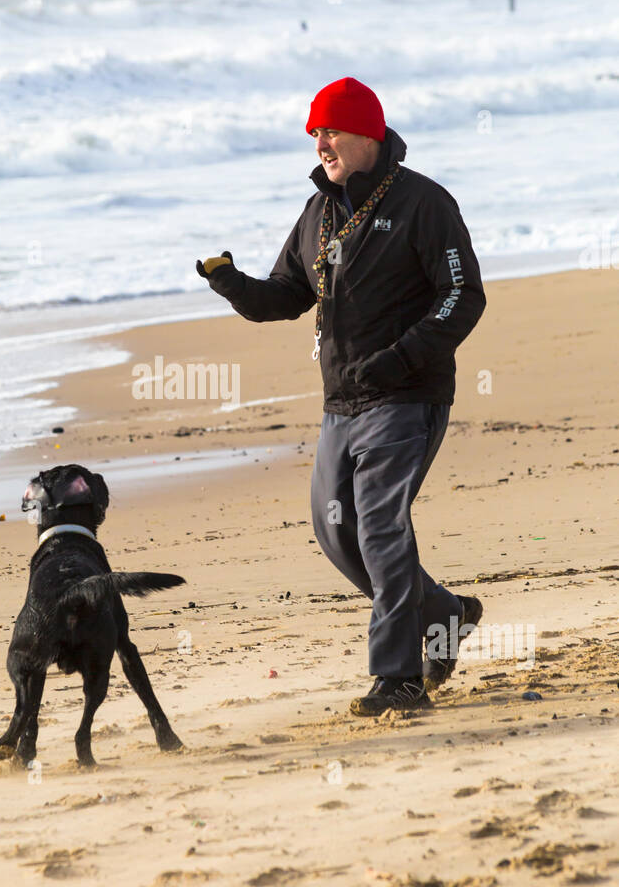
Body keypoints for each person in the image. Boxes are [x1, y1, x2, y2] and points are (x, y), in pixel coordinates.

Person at [197, 76, 486, 715]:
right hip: (341, 404)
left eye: (331, 130)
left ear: (368, 134)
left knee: (381, 526)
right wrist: (234, 286)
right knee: (338, 532)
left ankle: (398, 677)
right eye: (315, 133)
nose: (321, 143)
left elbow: (463, 296)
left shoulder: (423, 203)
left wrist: (403, 357)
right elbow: (287, 294)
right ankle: (445, 613)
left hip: (408, 396)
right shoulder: (318, 213)